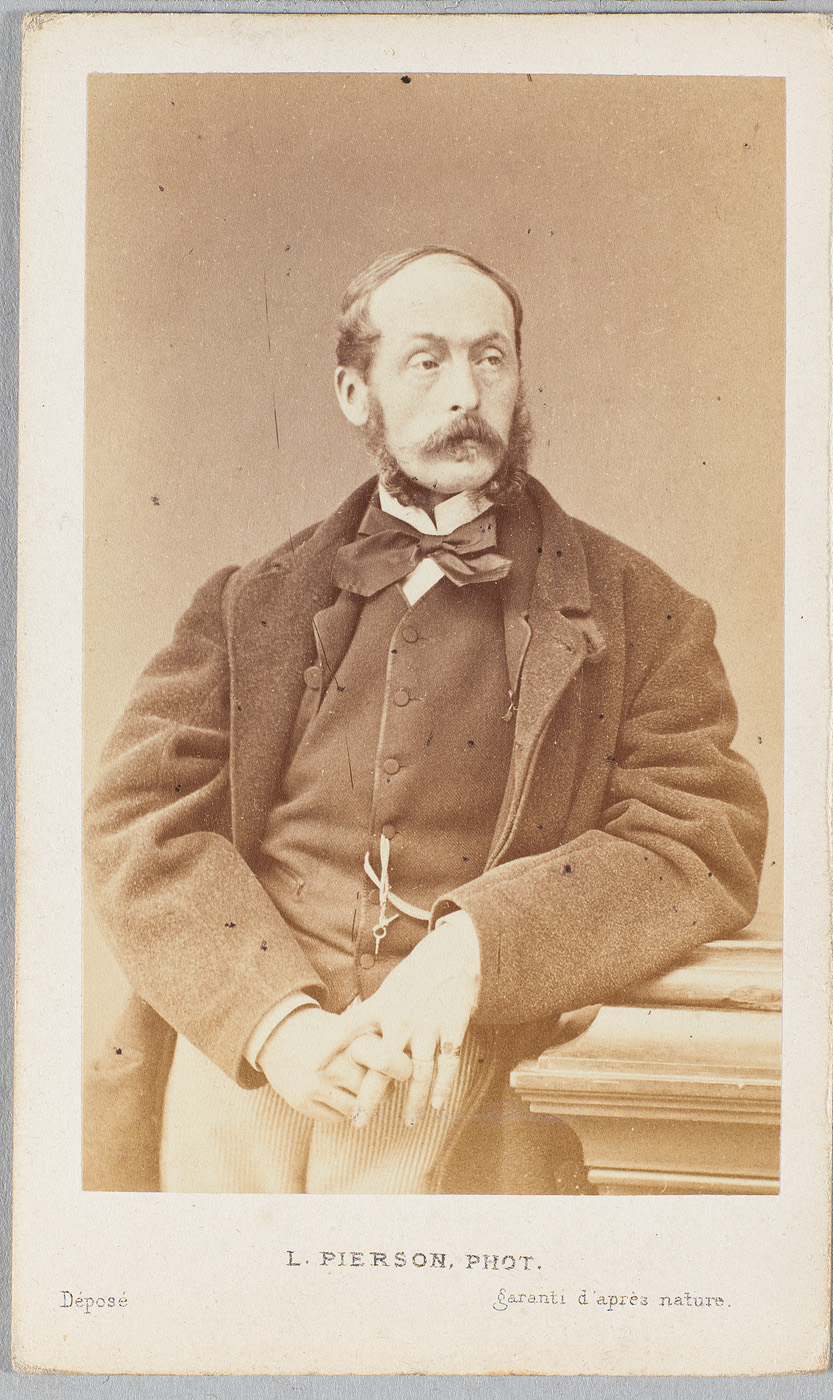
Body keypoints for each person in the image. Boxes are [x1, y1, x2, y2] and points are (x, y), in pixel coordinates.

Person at [82, 246, 768, 1195]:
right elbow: (136, 819)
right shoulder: (249, 605)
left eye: (491, 358)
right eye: (426, 360)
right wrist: (275, 1023)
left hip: (464, 1074)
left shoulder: (643, 615)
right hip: (246, 1059)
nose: (465, 393)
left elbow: (702, 837)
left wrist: (476, 949)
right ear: (354, 392)